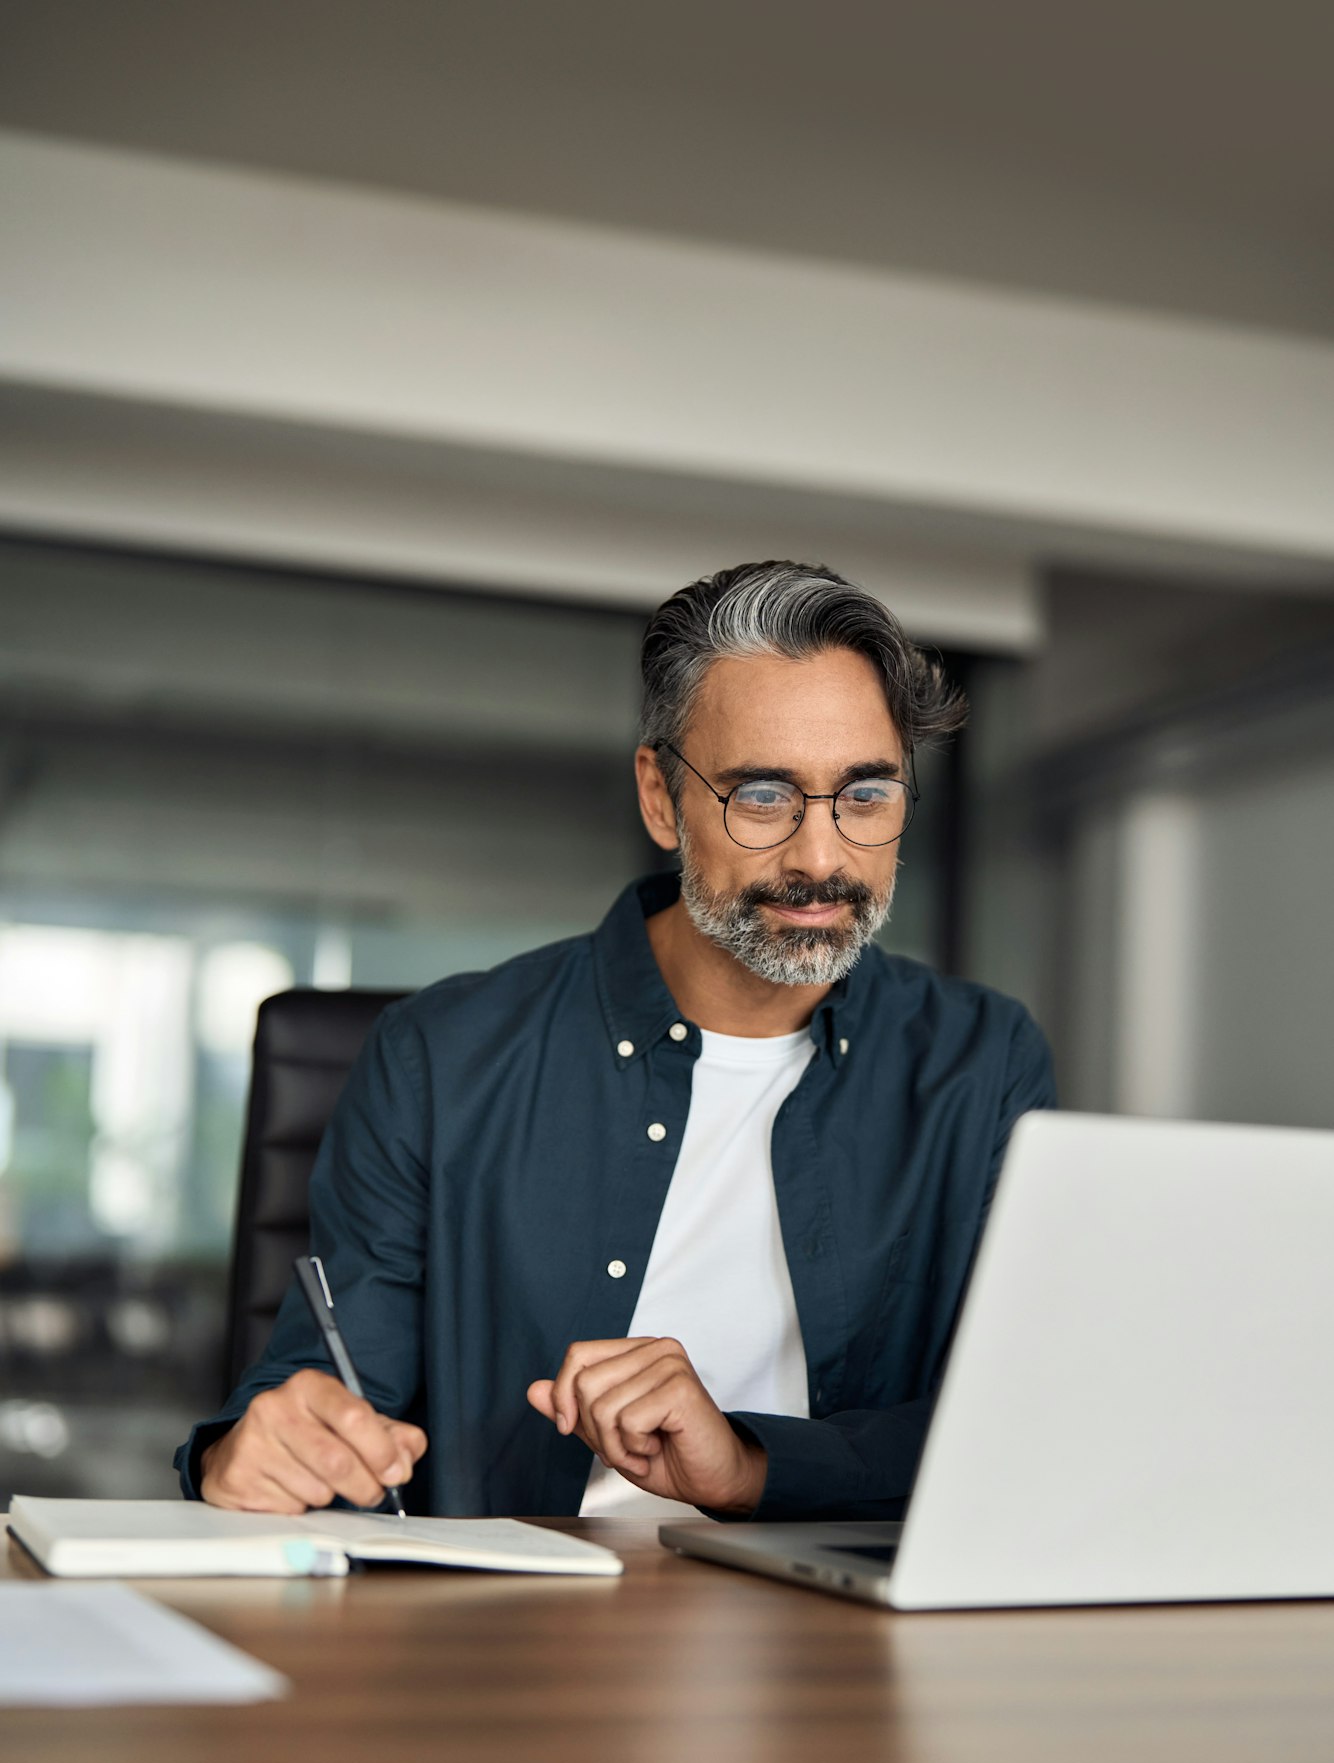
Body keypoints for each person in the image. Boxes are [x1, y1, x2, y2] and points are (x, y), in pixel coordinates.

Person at [176, 559, 1055, 1521]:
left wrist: (752, 1464)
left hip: (849, 1645)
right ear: (659, 795)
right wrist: (257, 1452)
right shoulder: (440, 1057)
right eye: (763, 795)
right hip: (512, 1639)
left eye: (866, 794)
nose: (821, 855)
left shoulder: (983, 1064)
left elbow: (1021, 1422)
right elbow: (330, 1389)